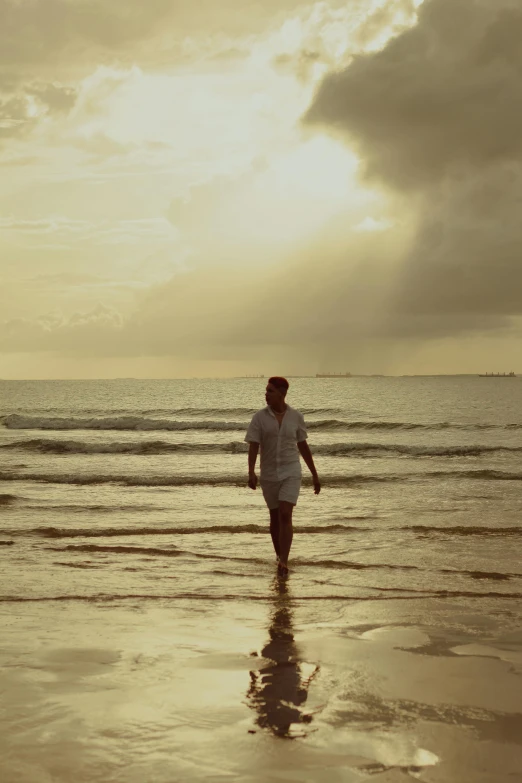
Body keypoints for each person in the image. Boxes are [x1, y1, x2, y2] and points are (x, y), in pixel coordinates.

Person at [245, 376, 321, 574]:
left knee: (286, 514)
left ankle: (284, 562)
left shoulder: (296, 416)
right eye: (266, 390)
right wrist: (251, 471)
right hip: (269, 473)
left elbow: (302, 445)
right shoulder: (259, 417)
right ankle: (279, 555)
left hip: (291, 471)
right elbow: (254, 445)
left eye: (270, 391)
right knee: (274, 517)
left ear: (282, 393)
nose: (266, 394)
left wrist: (314, 474)